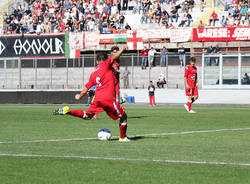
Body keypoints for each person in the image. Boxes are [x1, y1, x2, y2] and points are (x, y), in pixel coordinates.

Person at [54, 46, 130, 142]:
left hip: (97, 99)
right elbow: (115, 57)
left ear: (96, 61)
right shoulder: (106, 64)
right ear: (106, 59)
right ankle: (123, 138)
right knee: (123, 116)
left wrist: (79, 96)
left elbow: (86, 89)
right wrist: (122, 49)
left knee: (88, 116)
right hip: (108, 98)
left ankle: (68, 111)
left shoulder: (93, 74)